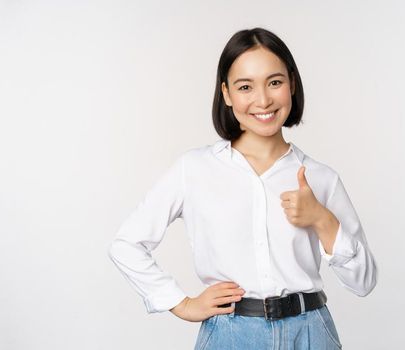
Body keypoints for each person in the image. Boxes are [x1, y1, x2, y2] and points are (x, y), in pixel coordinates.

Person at [108, 27, 378, 349]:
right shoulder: (194, 169)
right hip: (230, 335)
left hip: (311, 334)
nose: (262, 100)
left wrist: (322, 219)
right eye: (245, 86)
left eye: (274, 82)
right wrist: (182, 303)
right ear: (226, 94)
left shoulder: (320, 177)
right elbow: (126, 244)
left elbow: (363, 282)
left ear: (291, 83)